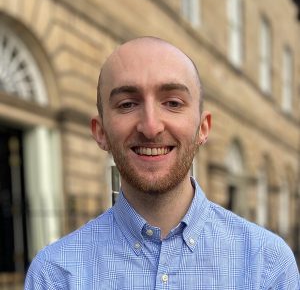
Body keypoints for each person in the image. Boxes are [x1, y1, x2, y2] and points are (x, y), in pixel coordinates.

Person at [25, 37, 300, 289]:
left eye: (172, 102)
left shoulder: (267, 265)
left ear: (203, 128)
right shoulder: (55, 275)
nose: (151, 126)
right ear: (101, 132)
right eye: (127, 104)